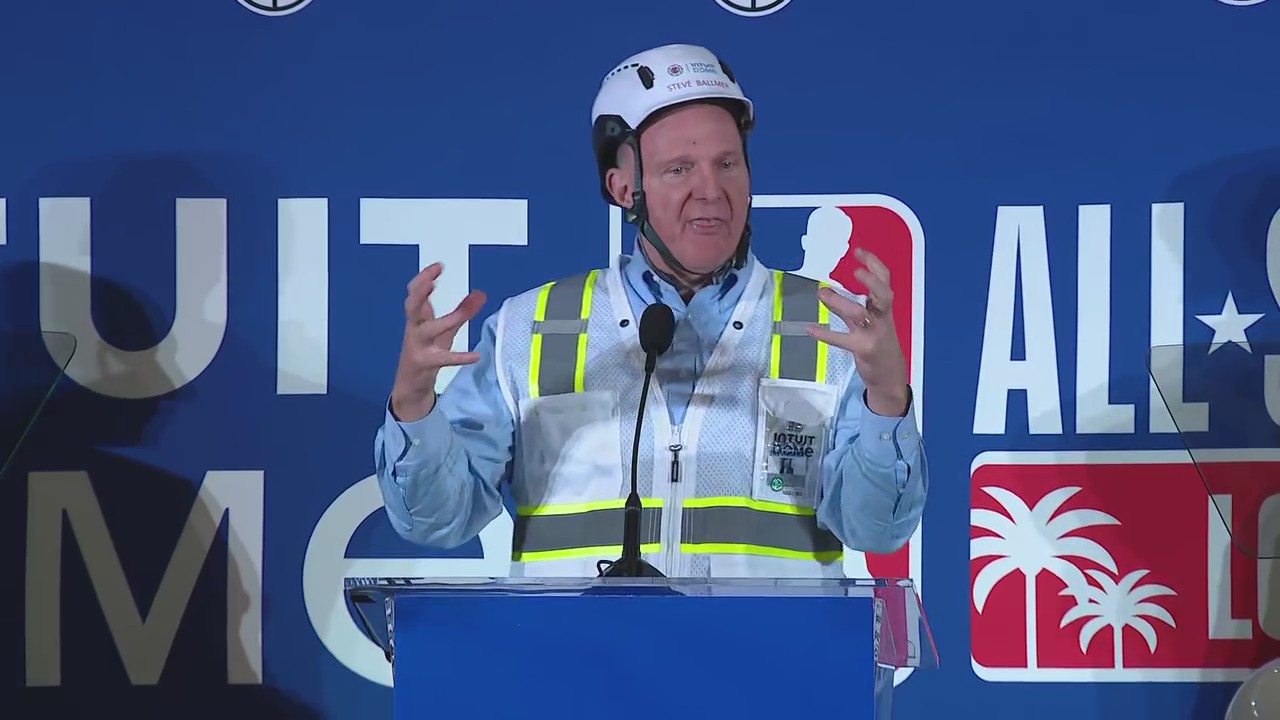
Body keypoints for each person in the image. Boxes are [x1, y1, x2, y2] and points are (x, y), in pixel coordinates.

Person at [373, 43, 928, 579]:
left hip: (772, 647)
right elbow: (438, 521)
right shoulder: (528, 329)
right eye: (679, 169)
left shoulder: (831, 327)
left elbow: (876, 530)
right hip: (573, 647)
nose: (710, 190)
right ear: (624, 189)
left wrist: (886, 400)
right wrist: (415, 409)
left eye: (727, 163)